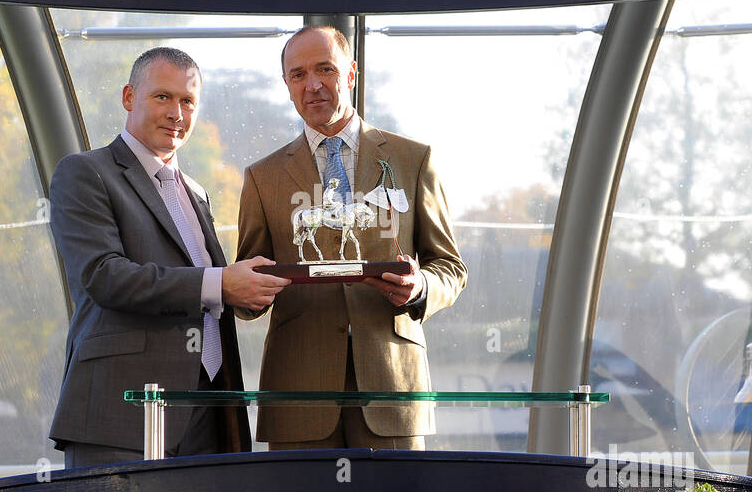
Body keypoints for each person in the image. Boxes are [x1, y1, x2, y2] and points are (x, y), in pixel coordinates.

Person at [48, 47, 288, 467]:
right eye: (162, 97)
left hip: (211, 414)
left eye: (188, 101)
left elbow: (212, 296)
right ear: (128, 97)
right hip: (121, 415)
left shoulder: (196, 193)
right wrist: (221, 284)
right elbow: (104, 276)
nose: (177, 113)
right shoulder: (85, 172)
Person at [236, 26, 467, 449]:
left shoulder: (412, 159)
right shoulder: (262, 177)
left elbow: (450, 268)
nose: (313, 85)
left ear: (352, 72)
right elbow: (249, 291)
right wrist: (245, 291)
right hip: (298, 393)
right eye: (298, 75)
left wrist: (420, 288)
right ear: (287, 85)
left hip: (393, 387)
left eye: (326, 69)